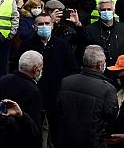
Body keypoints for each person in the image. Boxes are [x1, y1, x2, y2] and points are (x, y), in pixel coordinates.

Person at [17, 12, 79, 147]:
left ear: (52, 25)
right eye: (40, 24)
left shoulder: (62, 45)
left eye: (47, 24)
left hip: (56, 99)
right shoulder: (26, 46)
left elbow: (72, 69)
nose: (44, 27)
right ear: (34, 27)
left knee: (57, 135)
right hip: (33, 98)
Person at [55, 45, 118, 148]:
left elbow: (58, 110)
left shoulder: (66, 82)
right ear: (100, 64)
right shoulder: (108, 89)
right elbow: (110, 119)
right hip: (93, 142)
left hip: (66, 140)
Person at [0, 50, 44, 144]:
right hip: (20, 140)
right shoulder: (33, 91)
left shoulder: (2, 80)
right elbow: (34, 126)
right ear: (35, 69)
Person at [85, 0, 124, 66]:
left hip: (119, 68)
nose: (106, 12)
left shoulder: (123, 28)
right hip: (98, 68)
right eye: (103, 10)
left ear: (114, 11)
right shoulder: (90, 29)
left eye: (109, 9)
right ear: (99, 11)